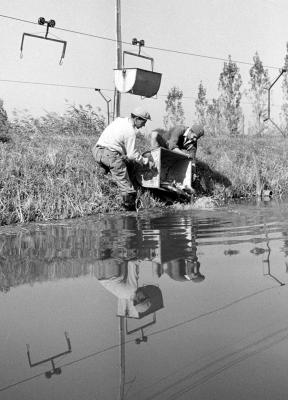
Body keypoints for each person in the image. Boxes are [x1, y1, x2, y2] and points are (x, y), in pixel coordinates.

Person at [92, 106, 155, 210]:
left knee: (119, 163)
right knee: (125, 184)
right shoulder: (130, 132)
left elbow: (116, 140)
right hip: (109, 154)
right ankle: (130, 210)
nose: (144, 125)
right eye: (144, 122)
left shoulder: (119, 120)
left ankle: (99, 183)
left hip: (97, 151)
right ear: (137, 119)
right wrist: (146, 162)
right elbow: (132, 155)